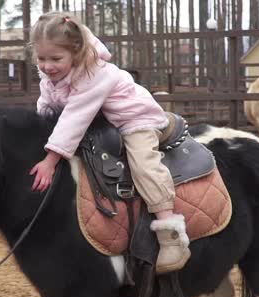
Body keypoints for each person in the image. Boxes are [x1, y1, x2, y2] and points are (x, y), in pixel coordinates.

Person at [29, 12, 190, 274]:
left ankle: (170, 231)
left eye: (56, 59)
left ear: (77, 52)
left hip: (134, 118)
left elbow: (75, 116)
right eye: (41, 58)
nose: (47, 66)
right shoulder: (52, 73)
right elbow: (46, 105)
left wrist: (50, 159)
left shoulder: (94, 73)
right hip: (103, 121)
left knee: (143, 164)